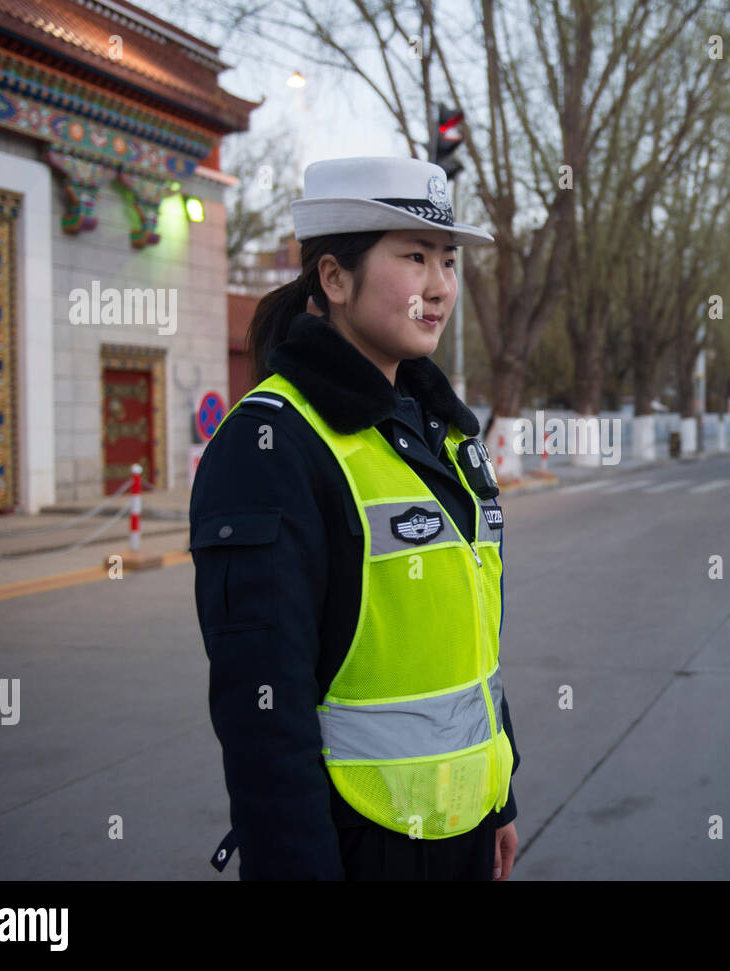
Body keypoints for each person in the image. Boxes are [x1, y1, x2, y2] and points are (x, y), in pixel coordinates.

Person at [191, 156, 519, 880]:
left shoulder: (447, 435)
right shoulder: (273, 444)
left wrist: (500, 798)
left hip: (465, 828)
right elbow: (264, 714)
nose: (438, 287)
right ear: (335, 279)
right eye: (413, 257)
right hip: (361, 847)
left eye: (448, 261)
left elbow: (467, 646)